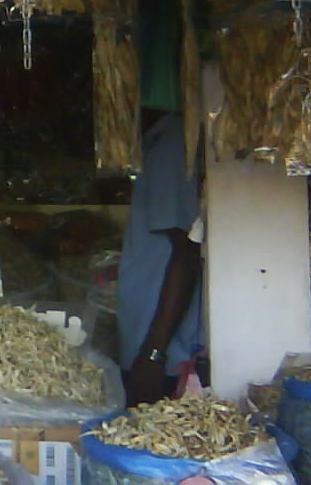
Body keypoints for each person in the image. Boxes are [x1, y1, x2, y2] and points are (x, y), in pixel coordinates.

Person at [117, 111, 203, 406]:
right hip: (154, 348)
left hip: (162, 357)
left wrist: (153, 353)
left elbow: (187, 252)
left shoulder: (171, 146)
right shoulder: (161, 142)